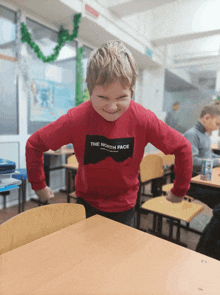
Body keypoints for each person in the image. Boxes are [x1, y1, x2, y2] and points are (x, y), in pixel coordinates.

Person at [26, 40, 192, 227]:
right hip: (86, 203)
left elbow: (182, 147)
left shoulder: (143, 119)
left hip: (125, 206)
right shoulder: (77, 118)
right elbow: (34, 144)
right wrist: (39, 185)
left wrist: (179, 190)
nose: (112, 107)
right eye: (103, 97)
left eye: (122, 98)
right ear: (90, 92)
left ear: (132, 91)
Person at [184, 102, 220, 208]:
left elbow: (208, 155)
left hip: (203, 178)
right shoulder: (192, 134)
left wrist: (218, 158)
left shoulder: (204, 134)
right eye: (217, 124)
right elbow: (193, 162)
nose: (217, 128)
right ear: (207, 118)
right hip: (193, 183)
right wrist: (218, 161)